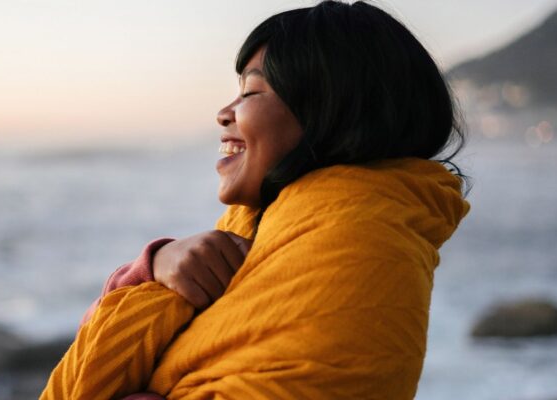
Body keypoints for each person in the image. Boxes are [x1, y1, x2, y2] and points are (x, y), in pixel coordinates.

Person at [42, 1, 471, 399]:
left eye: (250, 92)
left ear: (330, 110)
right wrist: (153, 268)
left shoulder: (362, 247)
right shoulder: (261, 231)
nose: (224, 112)